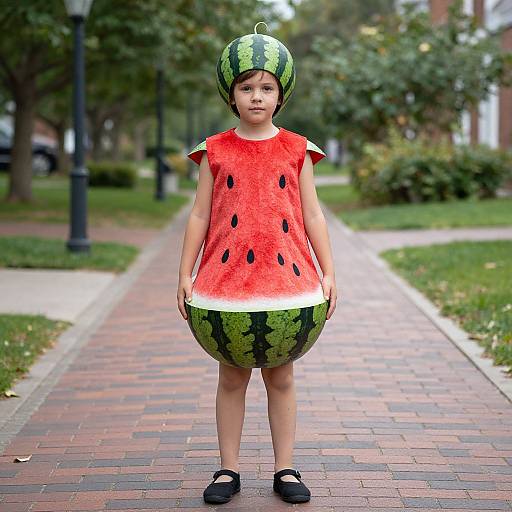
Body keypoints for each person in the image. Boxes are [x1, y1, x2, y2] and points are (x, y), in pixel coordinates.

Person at [177, 23, 337, 505]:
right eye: (246, 87)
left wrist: (329, 271)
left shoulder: (298, 148)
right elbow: (200, 214)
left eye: (266, 88)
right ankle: (228, 469)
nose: (256, 97)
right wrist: (184, 273)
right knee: (231, 376)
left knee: (282, 376)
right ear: (231, 94)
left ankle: (285, 468)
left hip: (291, 279)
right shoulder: (214, 149)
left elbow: (311, 213)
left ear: (280, 95)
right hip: (223, 284)